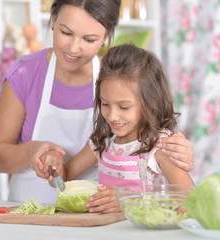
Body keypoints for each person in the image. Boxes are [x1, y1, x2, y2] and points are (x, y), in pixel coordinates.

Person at [0, 0, 194, 205]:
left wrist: (178, 153)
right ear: (53, 20)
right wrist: (34, 152)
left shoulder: (115, 79)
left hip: (94, 218)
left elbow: (186, 195)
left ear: (105, 36)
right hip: (27, 208)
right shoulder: (26, 73)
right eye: (66, 33)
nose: (74, 48)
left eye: (89, 39)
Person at [42, 43, 195, 213]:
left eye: (124, 107)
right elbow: (66, 177)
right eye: (105, 104)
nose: (112, 116)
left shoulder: (160, 146)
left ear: (150, 103)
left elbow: (190, 202)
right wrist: (54, 166)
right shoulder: (102, 142)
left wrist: (129, 201)